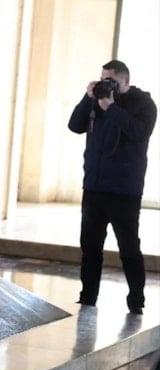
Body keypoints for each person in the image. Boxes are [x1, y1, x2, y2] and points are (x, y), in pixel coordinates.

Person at [68, 60, 157, 315]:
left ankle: (136, 300)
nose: (106, 84)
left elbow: (140, 132)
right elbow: (74, 125)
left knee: (128, 247)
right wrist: (88, 98)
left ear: (125, 81)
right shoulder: (96, 100)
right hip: (94, 186)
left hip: (125, 190)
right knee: (90, 246)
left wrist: (112, 108)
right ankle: (88, 296)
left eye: (110, 80)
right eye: (102, 79)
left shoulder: (144, 104)